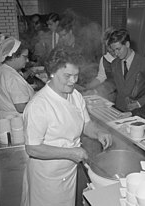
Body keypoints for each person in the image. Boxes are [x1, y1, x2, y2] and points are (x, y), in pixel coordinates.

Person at [20, 48, 112, 206]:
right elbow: (32, 148)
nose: (73, 81)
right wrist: (70, 152)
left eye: (76, 75)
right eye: (67, 76)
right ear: (52, 73)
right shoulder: (39, 105)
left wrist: (99, 133)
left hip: (68, 171)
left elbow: (86, 124)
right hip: (47, 176)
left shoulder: (74, 95)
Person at [107, 29, 145, 112]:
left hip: (139, 111)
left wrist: (139, 103)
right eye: (114, 50)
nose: (116, 53)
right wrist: (96, 91)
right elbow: (112, 85)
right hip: (119, 109)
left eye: (118, 49)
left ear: (127, 44)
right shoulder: (114, 64)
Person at [0, 37, 34, 123]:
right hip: (15, 122)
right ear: (13, 56)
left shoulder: (2, 68)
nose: (27, 60)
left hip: (5, 120)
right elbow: (21, 107)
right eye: (25, 57)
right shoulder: (12, 77)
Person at [84, 27, 117, 101]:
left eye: (110, 45)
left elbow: (115, 82)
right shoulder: (104, 59)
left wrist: (96, 91)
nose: (109, 49)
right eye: (107, 46)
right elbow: (101, 77)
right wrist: (87, 88)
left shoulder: (123, 58)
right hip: (110, 95)